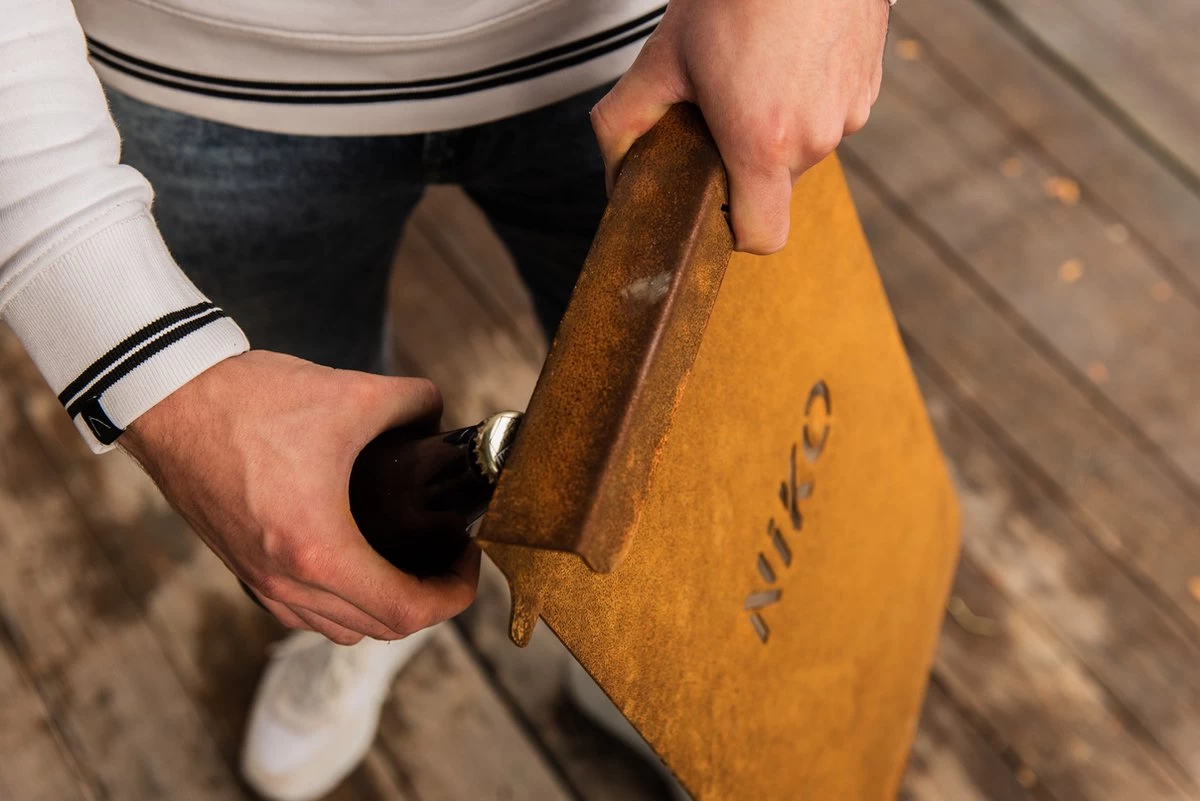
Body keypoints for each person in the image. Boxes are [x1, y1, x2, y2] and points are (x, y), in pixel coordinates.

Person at [2, 0, 891, 798]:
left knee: (711, 463)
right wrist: (146, 359)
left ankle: (651, 660)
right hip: (203, 84)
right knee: (330, 493)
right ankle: (355, 625)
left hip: (648, 43)